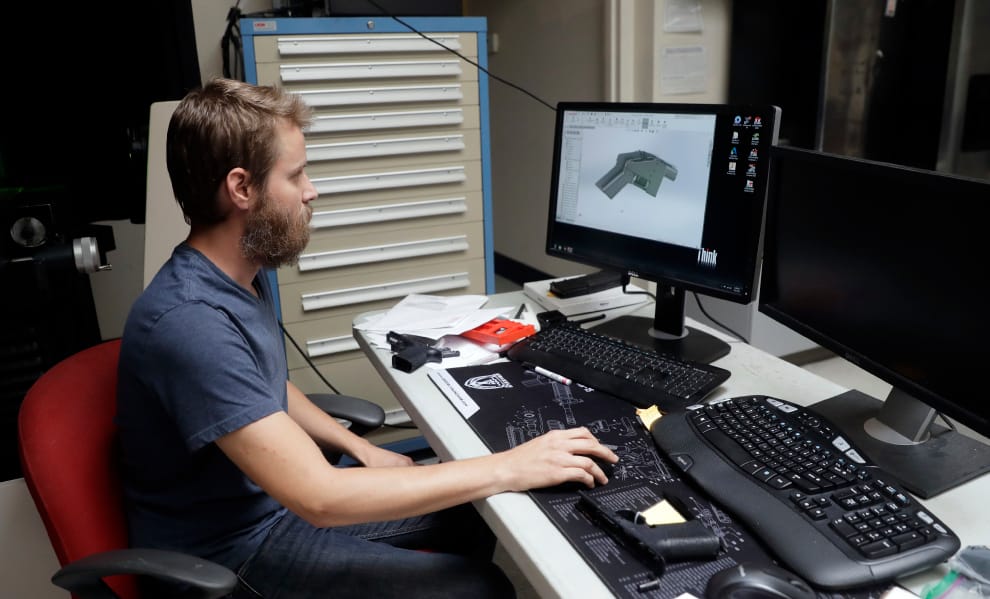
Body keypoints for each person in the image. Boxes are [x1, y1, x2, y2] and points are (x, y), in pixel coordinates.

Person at [116, 77, 618, 599]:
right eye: (296, 174)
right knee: (479, 588)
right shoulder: (192, 321)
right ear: (242, 188)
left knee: (476, 510)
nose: (311, 190)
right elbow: (319, 498)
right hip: (233, 551)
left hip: (272, 506)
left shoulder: (238, 276)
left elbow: (261, 387)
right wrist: (508, 465)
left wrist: (361, 448)